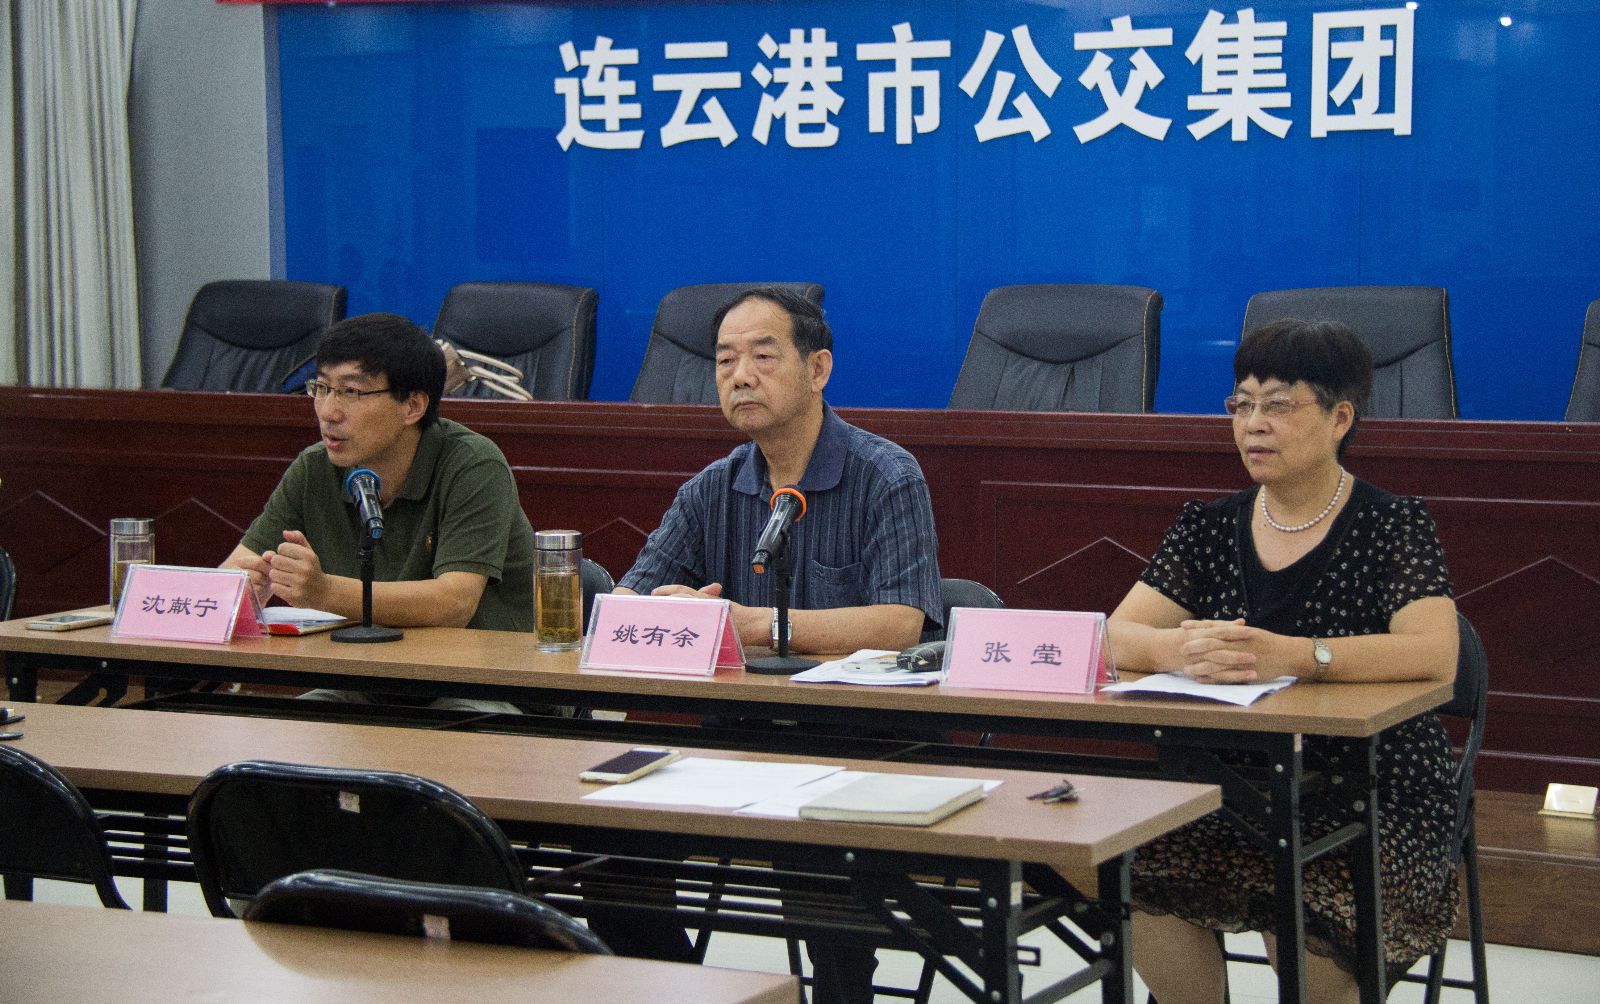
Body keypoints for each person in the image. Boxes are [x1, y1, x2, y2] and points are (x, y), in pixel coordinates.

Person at [601, 286, 943, 1003]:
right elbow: (626, 603)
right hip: (735, 739)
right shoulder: (714, 486)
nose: (740, 376)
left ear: (817, 369)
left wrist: (757, 627)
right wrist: (671, 612)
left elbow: (902, 622)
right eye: (725, 360)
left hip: (857, 743)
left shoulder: (886, 474)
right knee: (609, 847)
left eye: (762, 356)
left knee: (813, 853)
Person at [1107, 319, 1460, 1004]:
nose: (1253, 425)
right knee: (1134, 880)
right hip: (1230, 789)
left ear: (1340, 418)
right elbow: (1116, 636)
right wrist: (1176, 647)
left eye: (1278, 405)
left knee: (1301, 903)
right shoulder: (1208, 527)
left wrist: (1297, 656)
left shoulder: (1394, 524)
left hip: (1371, 791)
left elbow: (1436, 654)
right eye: (1241, 405)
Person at [223, 312, 536, 711]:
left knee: (450, 729)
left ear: (413, 406)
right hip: (369, 682)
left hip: (481, 684)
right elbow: (232, 576)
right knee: (292, 728)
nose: (328, 411)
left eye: (351, 392)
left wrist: (323, 591)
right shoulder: (315, 468)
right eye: (322, 388)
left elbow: (454, 602)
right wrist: (246, 586)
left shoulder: (473, 464)